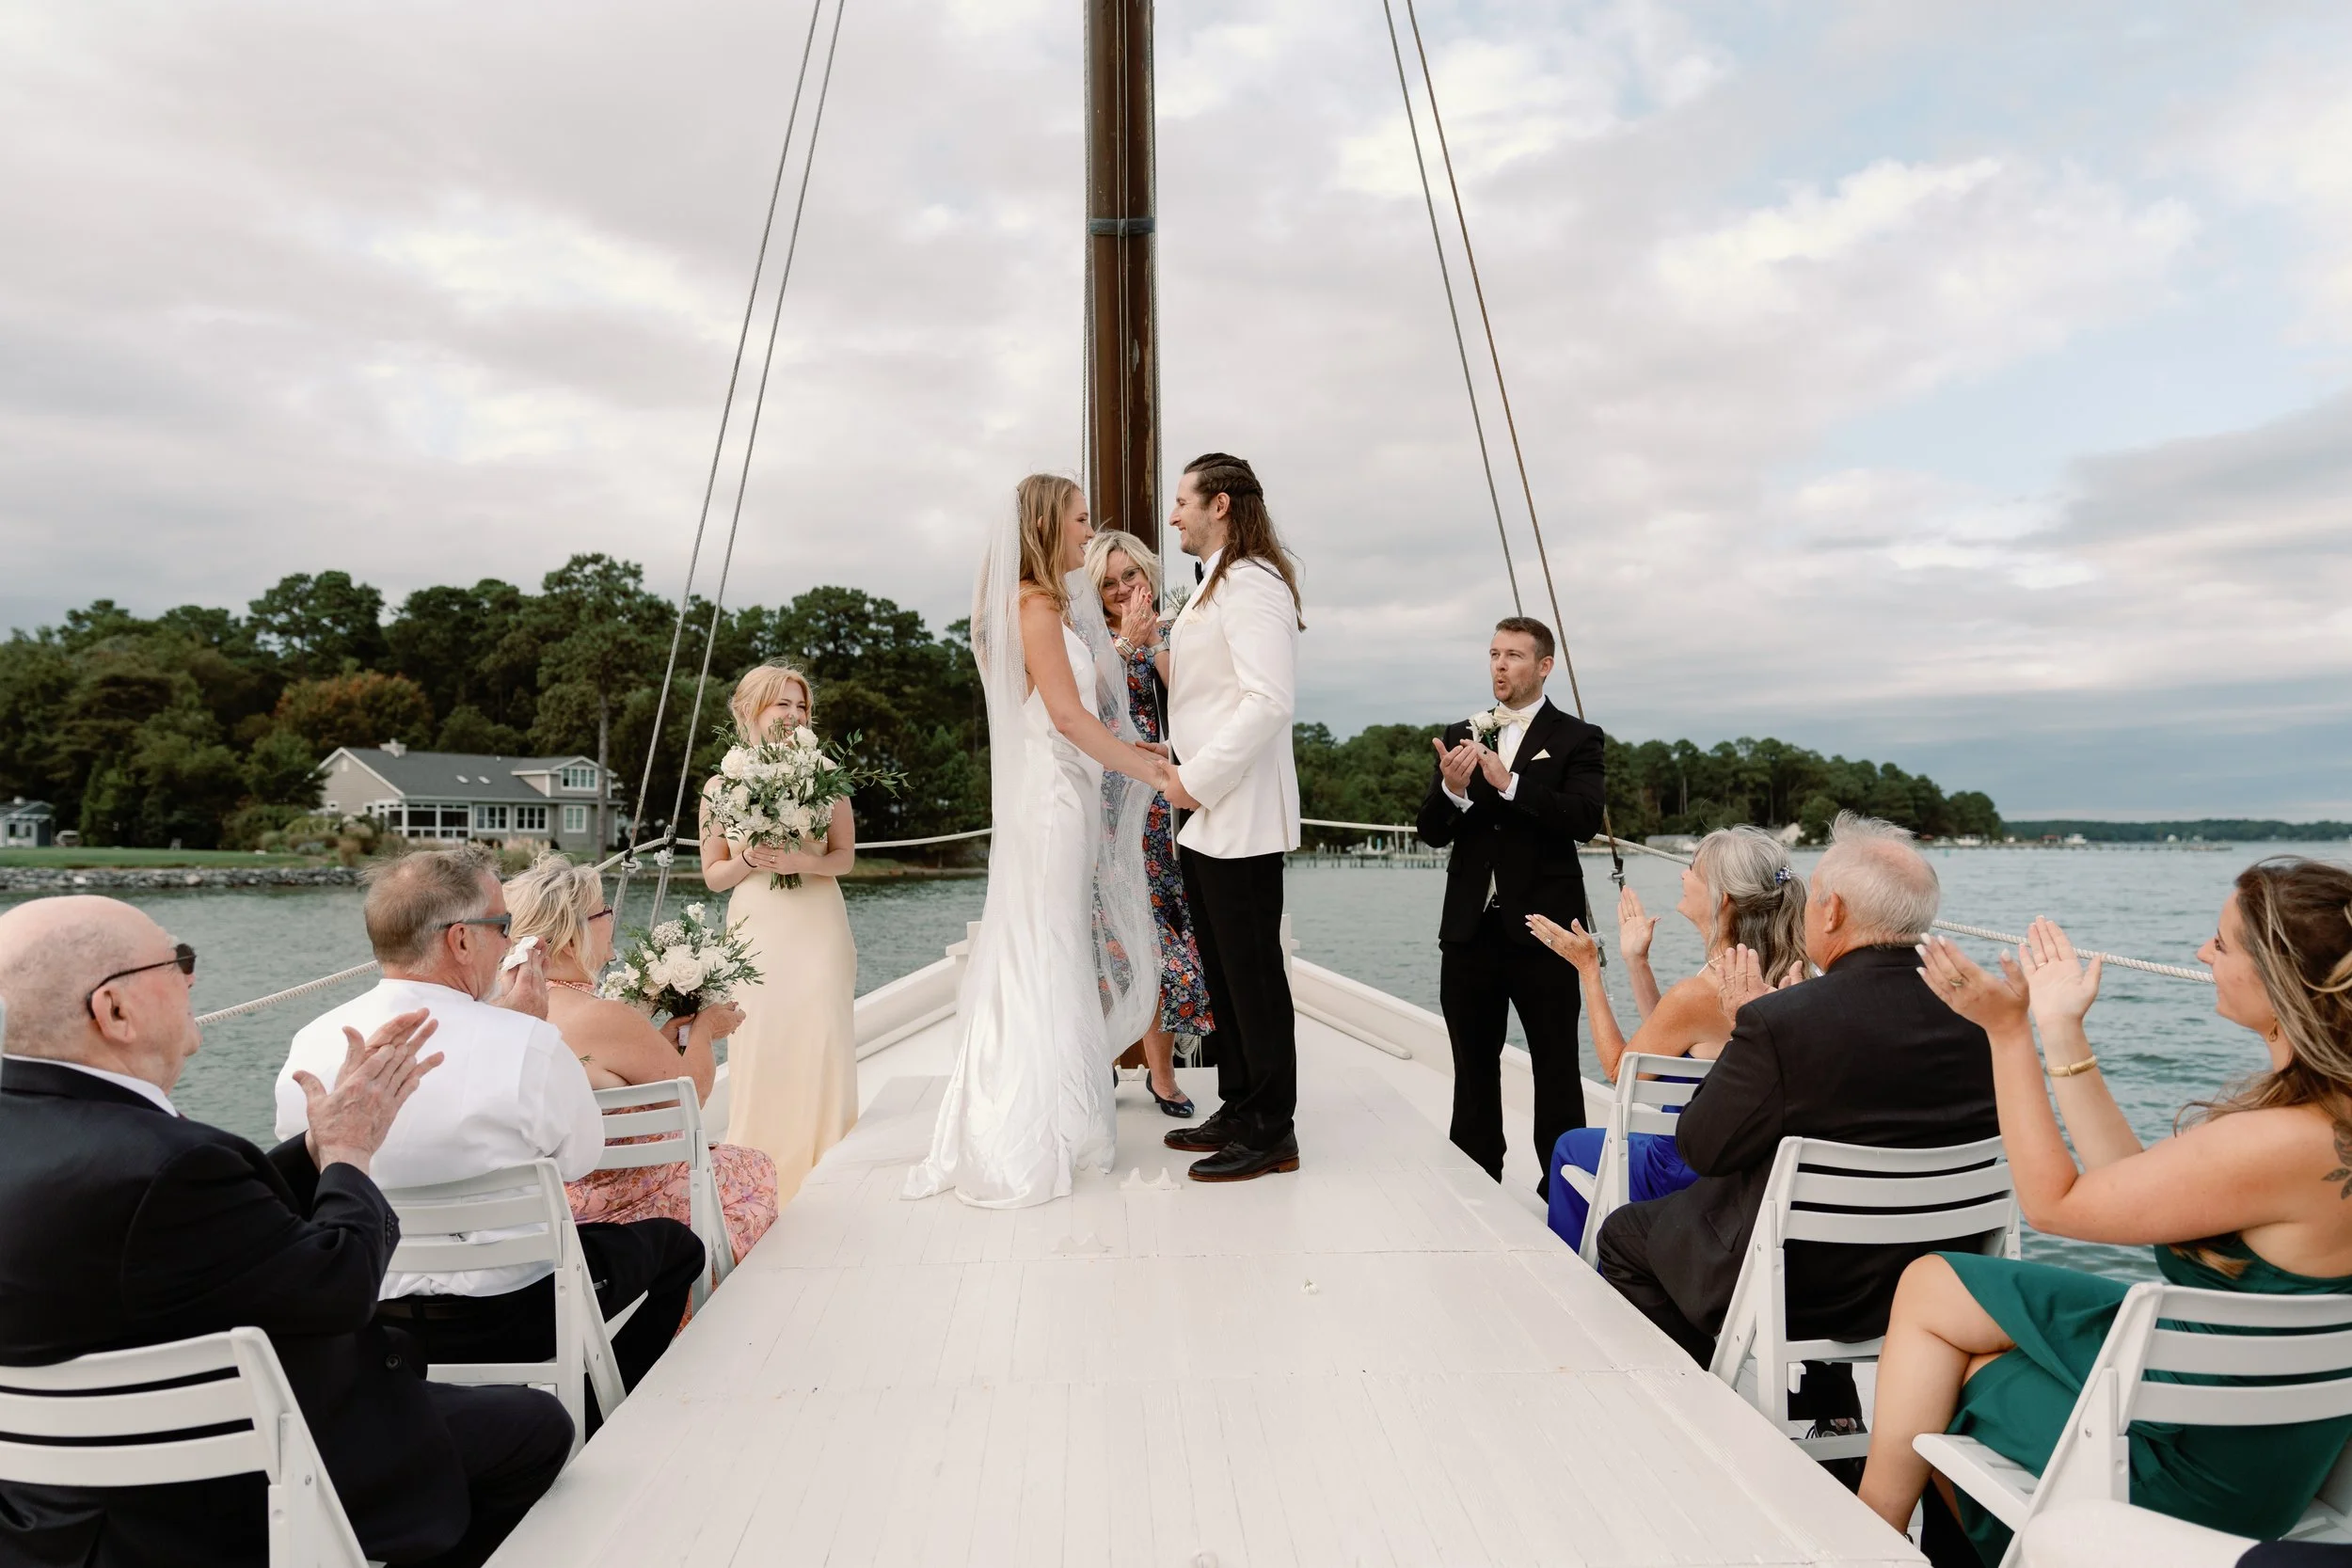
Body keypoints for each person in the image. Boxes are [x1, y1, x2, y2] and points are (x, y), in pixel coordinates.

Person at [0, 895, 571, 1568]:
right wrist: (353, 1153)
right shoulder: (172, 1164)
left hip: (44, 1507)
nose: (191, 979)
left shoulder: (101, 1149)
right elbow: (340, 1288)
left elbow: (191, 1231)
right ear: (114, 1010)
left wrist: (316, 1147)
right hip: (223, 1500)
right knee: (536, 1427)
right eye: (178, 960)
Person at [1859, 858, 2352, 1566]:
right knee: (1937, 1284)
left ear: (2276, 977)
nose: (2201, 953)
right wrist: (2062, 1029)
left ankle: (1864, 1541)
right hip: (2277, 1456)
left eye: (2221, 943)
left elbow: (2052, 1204)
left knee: (1953, 1384)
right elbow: (2130, 1185)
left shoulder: (2276, 1142)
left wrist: (2007, 1032)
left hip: (2193, 1479)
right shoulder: (2316, 1124)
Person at [275, 847, 705, 1406]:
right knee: (678, 1250)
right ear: (460, 940)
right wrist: (522, 1038)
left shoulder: (311, 1041)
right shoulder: (526, 1040)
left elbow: (303, 1161)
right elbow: (580, 1158)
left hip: (370, 1315)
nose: (509, 943)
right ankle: (600, 1411)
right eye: (501, 926)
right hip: (513, 1311)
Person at [1593, 814, 1999, 1404]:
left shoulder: (1786, 1020)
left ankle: (1700, 1410)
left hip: (1807, 1287)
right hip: (1944, 1280)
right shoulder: (1984, 1019)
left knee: (1625, 1235)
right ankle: (1829, 1409)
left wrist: (1744, 1027)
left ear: (1831, 911)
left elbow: (1701, 1147)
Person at [903, 474, 1171, 1207]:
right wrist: (1149, 765)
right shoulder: (1035, 605)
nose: (1092, 531)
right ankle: (1039, 1122)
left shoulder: (1036, 607)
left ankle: (1065, 1112)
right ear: (1050, 526)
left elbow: (1079, 704)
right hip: (1053, 801)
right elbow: (1067, 717)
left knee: (1051, 945)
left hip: (1063, 800)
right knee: (1048, 947)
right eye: (1082, 520)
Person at [1529, 825, 1808, 1248]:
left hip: (1687, 1166)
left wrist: (1588, 970)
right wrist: (1637, 961)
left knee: (1569, 1146)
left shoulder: (1705, 990)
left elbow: (1621, 1072)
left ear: (1723, 898)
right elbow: (1677, 1036)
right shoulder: (1784, 972)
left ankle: (1586, 1278)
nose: (1682, 874)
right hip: (1746, 1162)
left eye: (1693, 868)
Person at [503, 853, 778, 1268]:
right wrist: (704, 1029)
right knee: (754, 1167)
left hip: (546, 1211)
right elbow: (692, 1095)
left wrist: (659, 1042)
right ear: (573, 934)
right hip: (627, 1208)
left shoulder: (502, 1013)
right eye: (605, 911)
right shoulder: (604, 1015)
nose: (612, 919)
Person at [1414, 616, 1607, 1198]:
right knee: (1473, 1066)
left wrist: (1512, 783)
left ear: (1543, 666)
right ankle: (1476, 1187)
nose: (1500, 666)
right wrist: (1451, 790)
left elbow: (1585, 819)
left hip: (1545, 932)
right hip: (1470, 931)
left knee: (1556, 1065)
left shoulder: (1579, 737)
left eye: (1514, 656)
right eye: (1494, 654)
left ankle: (1565, 1192)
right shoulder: (1461, 731)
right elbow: (1430, 831)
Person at [1156, 452, 1307, 1183]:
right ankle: (1241, 1103)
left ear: (1220, 504)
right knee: (1223, 970)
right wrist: (1174, 756)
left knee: (1253, 975)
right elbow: (1210, 699)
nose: (1174, 514)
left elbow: (1268, 700)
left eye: (1183, 501)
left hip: (1236, 808)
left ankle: (1272, 1128)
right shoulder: (1214, 585)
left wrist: (1196, 777)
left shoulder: (1252, 584)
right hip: (1208, 810)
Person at [697, 661, 859, 1205]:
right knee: (760, 1039)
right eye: (782, 704)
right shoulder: (719, 787)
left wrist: (799, 859)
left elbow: (844, 858)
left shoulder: (825, 773)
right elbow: (714, 876)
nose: (793, 715)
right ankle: (761, 1178)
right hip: (755, 926)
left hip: (817, 927)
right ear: (750, 710)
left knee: (820, 1035)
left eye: (801, 706)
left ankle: (830, 1170)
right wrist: (748, 858)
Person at [1085, 526, 1214, 1117]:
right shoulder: (1084, 644)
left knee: (1155, 931)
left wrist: (1150, 640)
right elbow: (1080, 711)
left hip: (1154, 805)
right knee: (1101, 935)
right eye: (1108, 582)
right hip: (1096, 802)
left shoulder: (1176, 633)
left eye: (1128, 577)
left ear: (1148, 576)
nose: (1119, 590)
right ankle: (1100, 1062)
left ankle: (1162, 1075)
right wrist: (1122, 646)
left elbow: (1190, 700)